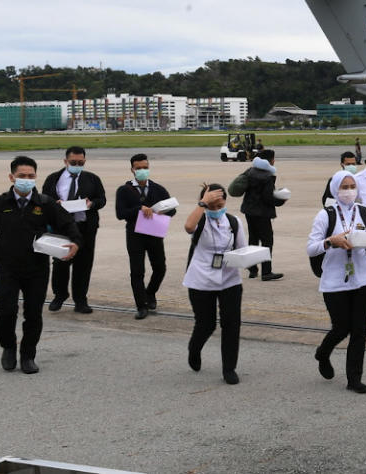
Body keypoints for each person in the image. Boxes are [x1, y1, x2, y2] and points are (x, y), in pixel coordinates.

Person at [0, 156, 81, 374]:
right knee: (5, 311)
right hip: (6, 269)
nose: (26, 180)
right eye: (22, 176)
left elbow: (68, 223)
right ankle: (8, 347)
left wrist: (76, 242)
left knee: (33, 314)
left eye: (30, 176)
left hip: (37, 270)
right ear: (11, 177)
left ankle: (28, 355)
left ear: (35, 177)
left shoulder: (45, 203)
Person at [307, 170, 366, 394]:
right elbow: (311, 248)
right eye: (344, 187)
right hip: (335, 280)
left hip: (362, 279)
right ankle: (323, 352)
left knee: (359, 329)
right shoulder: (325, 215)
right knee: (341, 327)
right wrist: (331, 241)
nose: (349, 191)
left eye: (352, 186)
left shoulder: (365, 213)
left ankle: (354, 378)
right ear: (335, 189)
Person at [183, 183, 247, 385]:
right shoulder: (199, 219)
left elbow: (242, 249)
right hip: (201, 278)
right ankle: (194, 348)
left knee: (231, 324)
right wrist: (203, 203)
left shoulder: (234, 221)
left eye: (220, 204)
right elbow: (188, 227)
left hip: (230, 279)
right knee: (206, 323)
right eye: (212, 206)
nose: (216, 209)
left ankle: (229, 368)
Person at [42, 146, 106, 313]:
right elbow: (44, 198)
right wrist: (54, 204)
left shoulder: (92, 179)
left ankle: (80, 300)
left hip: (85, 227)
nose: (77, 165)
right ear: (65, 161)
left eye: (80, 162)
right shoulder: (53, 179)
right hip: (62, 228)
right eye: (73, 162)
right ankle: (60, 295)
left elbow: (102, 199)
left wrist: (92, 204)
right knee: (60, 263)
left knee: (83, 265)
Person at [115, 153, 177, 320]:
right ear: (132, 170)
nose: (142, 171)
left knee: (160, 268)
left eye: (145, 168)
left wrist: (160, 210)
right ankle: (141, 305)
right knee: (137, 271)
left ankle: (150, 293)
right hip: (135, 235)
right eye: (139, 168)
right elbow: (120, 214)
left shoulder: (158, 189)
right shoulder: (124, 190)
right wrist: (139, 209)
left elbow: (173, 210)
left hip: (155, 233)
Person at [239, 150, 286, 281]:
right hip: (262, 213)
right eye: (273, 158)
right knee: (267, 241)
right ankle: (266, 272)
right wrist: (281, 200)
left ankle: (252, 270)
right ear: (269, 161)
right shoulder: (267, 176)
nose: (274, 161)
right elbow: (268, 198)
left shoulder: (250, 171)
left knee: (253, 239)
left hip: (249, 211)